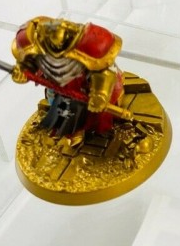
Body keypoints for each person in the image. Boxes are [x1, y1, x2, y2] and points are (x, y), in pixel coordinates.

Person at [11, 16, 124, 152]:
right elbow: (27, 62)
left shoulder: (91, 42)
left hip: (86, 88)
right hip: (58, 89)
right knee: (60, 108)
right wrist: (22, 72)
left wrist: (100, 94)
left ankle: (86, 131)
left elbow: (104, 72)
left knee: (93, 113)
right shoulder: (32, 39)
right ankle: (67, 130)